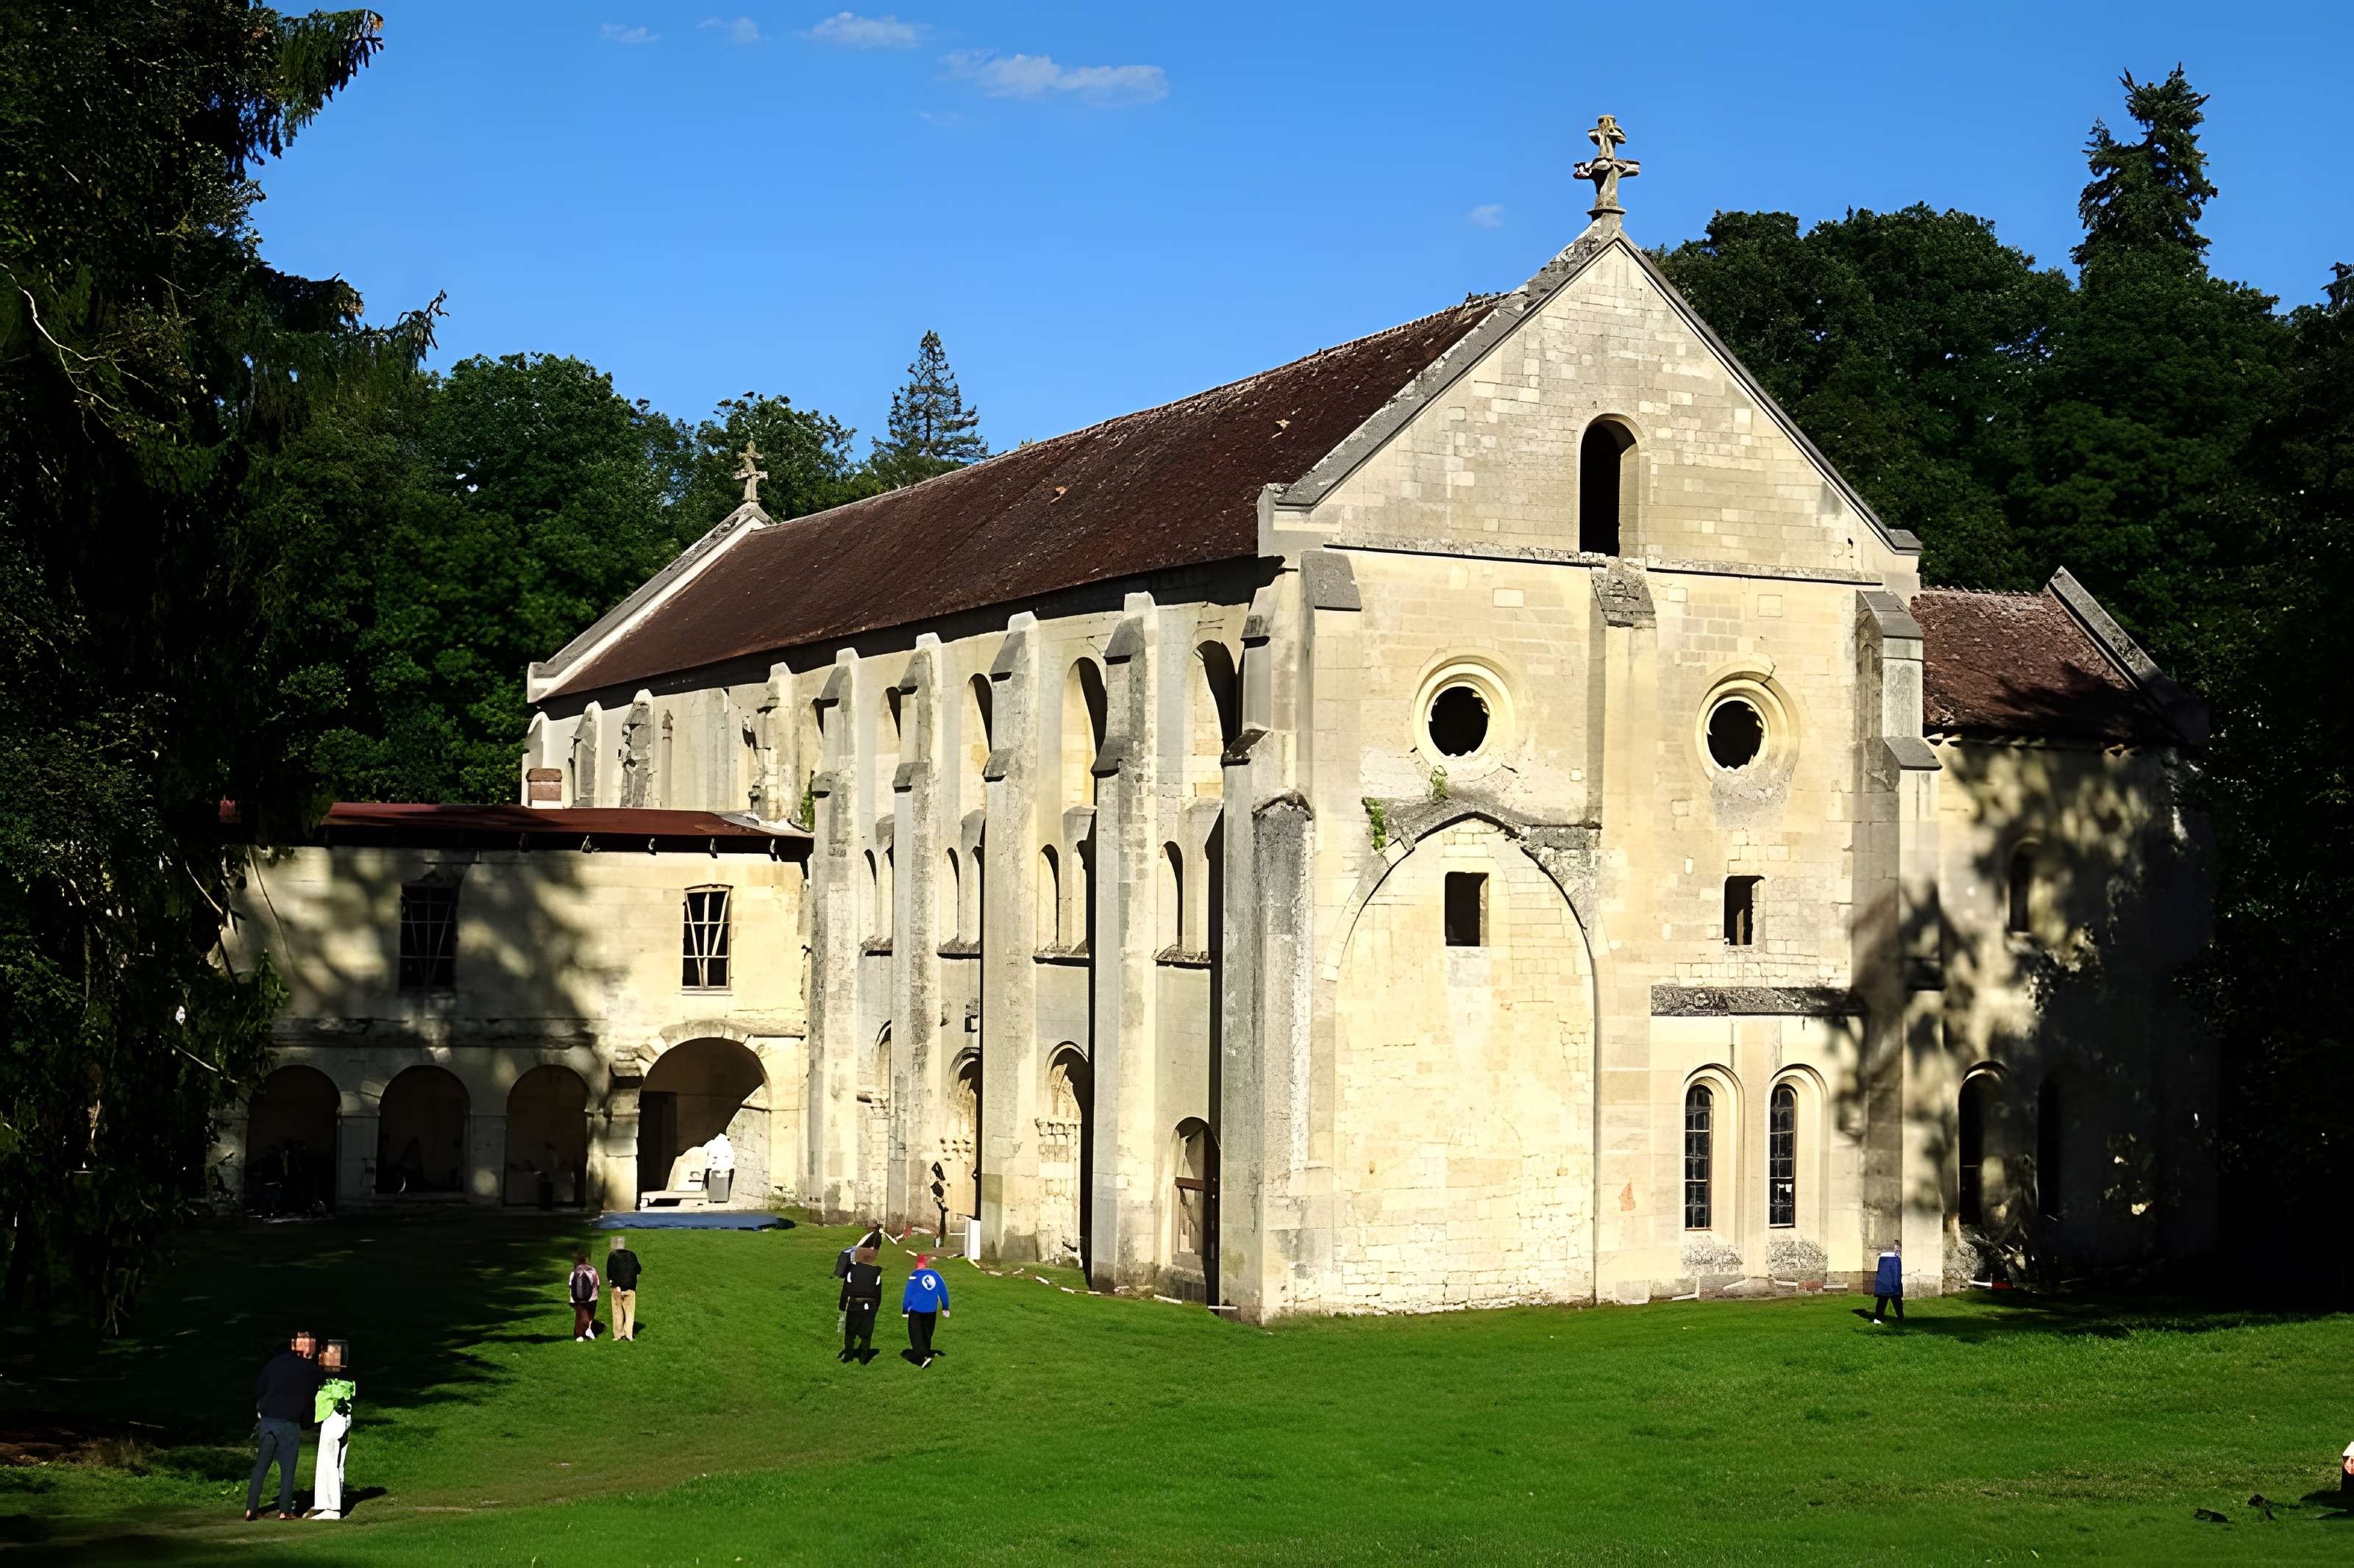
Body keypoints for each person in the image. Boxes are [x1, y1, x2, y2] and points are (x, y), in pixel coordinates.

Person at [246, 1330, 322, 1521]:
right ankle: (285, 1510)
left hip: (269, 1418)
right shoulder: (311, 1371)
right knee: (288, 1468)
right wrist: (308, 1422)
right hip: (289, 1422)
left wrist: (261, 1407)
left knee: (261, 1466)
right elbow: (312, 1400)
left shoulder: (276, 1363)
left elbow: (259, 1388)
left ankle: (250, 1508)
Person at [310, 1340, 355, 1520]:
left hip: (335, 1417)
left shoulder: (337, 1377)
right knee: (336, 1462)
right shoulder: (342, 1376)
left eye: (326, 1353)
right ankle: (329, 1503)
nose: (322, 1356)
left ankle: (333, 1508)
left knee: (330, 1461)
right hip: (340, 1418)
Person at [901, 1252, 950, 1367]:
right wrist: (945, 1307)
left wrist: (905, 1310)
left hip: (917, 1310)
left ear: (917, 1265)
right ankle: (927, 1352)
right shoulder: (935, 1275)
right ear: (926, 1264)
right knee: (927, 1332)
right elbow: (943, 1292)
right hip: (931, 1310)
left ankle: (920, 1358)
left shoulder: (914, 1275)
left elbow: (908, 1294)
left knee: (916, 1334)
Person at [839, 1244, 883, 1363]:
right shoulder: (876, 1273)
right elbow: (878, 1293)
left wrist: (842, 1305)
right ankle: (864, 1358)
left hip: (855, 1304)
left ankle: (848, 1356)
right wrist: (876, 1308)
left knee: (850, 1332)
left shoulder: (852, 1271)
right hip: (870, 1305)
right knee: (867, 1333)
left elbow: (846, 1290)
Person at [607, 1234, 642, 1342]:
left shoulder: (612, 1255)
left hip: (616, 1287)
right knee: (630, 1313)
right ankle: (629, 1335)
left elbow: (609, 1271)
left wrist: (612, 1282)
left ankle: (618, 1335)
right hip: (630, 1287)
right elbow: (639, 1270)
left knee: (617, 1312)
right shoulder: (632, 1255)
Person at [1868, 1241, 1905, 1324]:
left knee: (1882, 1301)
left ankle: (1878, 1318)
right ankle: (1900, 1317)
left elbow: (1881, 1272)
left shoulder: (1883, 1258)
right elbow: (1896, 1273)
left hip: (1883, 1284)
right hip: (1893, 1285)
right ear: (1897, 1247)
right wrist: (1897, 1284)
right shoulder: (1895, 1259)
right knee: (1896, 1301)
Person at [568, 1251, 600, 1341]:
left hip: (577, 1298)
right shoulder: (592, 1270)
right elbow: (597, 1284)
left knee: (579, 1315)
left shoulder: (574, 1271)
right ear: (586, 1261)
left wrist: (571, 1298)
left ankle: (579, 1335)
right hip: (591, 1298)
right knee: (589, 1315)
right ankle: (588, 1330)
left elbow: (570, 1284)